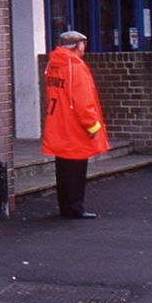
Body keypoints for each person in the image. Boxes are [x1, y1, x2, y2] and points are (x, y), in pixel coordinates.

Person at [42, 29, 109, 219]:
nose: (84, 49)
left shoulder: (54, 64)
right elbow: (83, 101)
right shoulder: (75, 66)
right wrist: (93, 126)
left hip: (58, 122)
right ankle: (75, 208)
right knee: (76, 170)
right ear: (78, 45)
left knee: (63, 168)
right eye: (83, 45)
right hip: (74, 127)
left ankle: (66, 206)